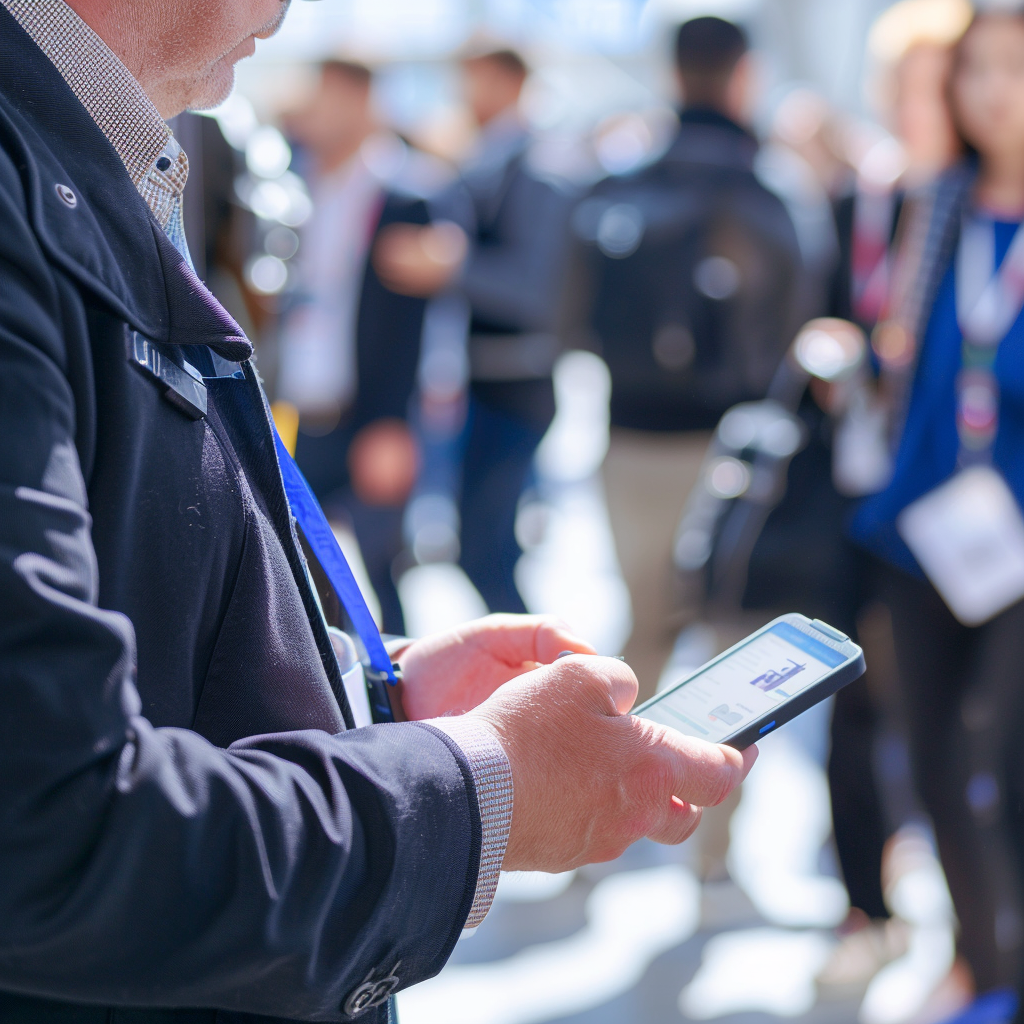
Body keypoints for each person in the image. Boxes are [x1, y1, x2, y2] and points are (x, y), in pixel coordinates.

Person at [0, 1, 758, 1022]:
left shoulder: (83, 152)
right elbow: (45, 823)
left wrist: (363, 698)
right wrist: (478, 784)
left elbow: (132, 623)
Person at [850, 6, 1024, 1003]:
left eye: (1014, 68)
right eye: (976, 70)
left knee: (994, 758)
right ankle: (982, 958)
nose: (992, 92)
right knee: (929, 762)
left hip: (1013, 537)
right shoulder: (934, 204)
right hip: (919, 528)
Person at [577, 16, 804, 699]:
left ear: (673, 75)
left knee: (645, 628)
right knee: (733, 646)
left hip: (629, 437)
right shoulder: (770, 191)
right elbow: (798, 319)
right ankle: (710, 804)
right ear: (744, 77)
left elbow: (570, 316)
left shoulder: (617, 186)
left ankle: (618, 801)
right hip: (737, 447)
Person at [817, 0, 970, 991]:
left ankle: (969, 937)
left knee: (953, 719)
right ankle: (864, 904)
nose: (914, 107)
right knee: (845, 698)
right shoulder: (859, 199)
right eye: (901, 87)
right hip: (848, 486)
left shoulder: (978, 204)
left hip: (954, 504)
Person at [378, 48, 576, 614]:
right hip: (486, 381)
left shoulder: (540, 168)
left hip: (518, 382)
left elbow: (537, 288)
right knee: (484, 547)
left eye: (474, 79)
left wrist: (451, 267)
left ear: (510, 81)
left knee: (486, 551)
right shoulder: (490, 158)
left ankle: (550, 676)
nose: (465, 93)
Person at [277, 60, 439, 635]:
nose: (319, 111)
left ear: (365, 99)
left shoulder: (405, 194)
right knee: (295, 565)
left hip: (364, 410)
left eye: (333, 97)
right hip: (295, 405)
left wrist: (391, 421)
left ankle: (403, 697)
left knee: (379, 566)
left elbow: (408, 327)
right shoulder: (288, 182)